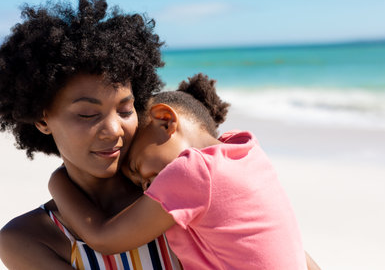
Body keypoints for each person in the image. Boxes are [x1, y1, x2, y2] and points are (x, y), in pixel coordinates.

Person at [0, 0, 182, 269]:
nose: (114, 129)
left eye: (125, 110)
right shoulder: (30, 238)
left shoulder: (176, 192)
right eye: (88, 114)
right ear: (42, 120)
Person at [48, 73, 308, 269]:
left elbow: (104, 238)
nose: (146, 187)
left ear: (165, 121)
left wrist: (57, 182)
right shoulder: (245, 152)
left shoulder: (193, 172)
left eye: (137, 168)